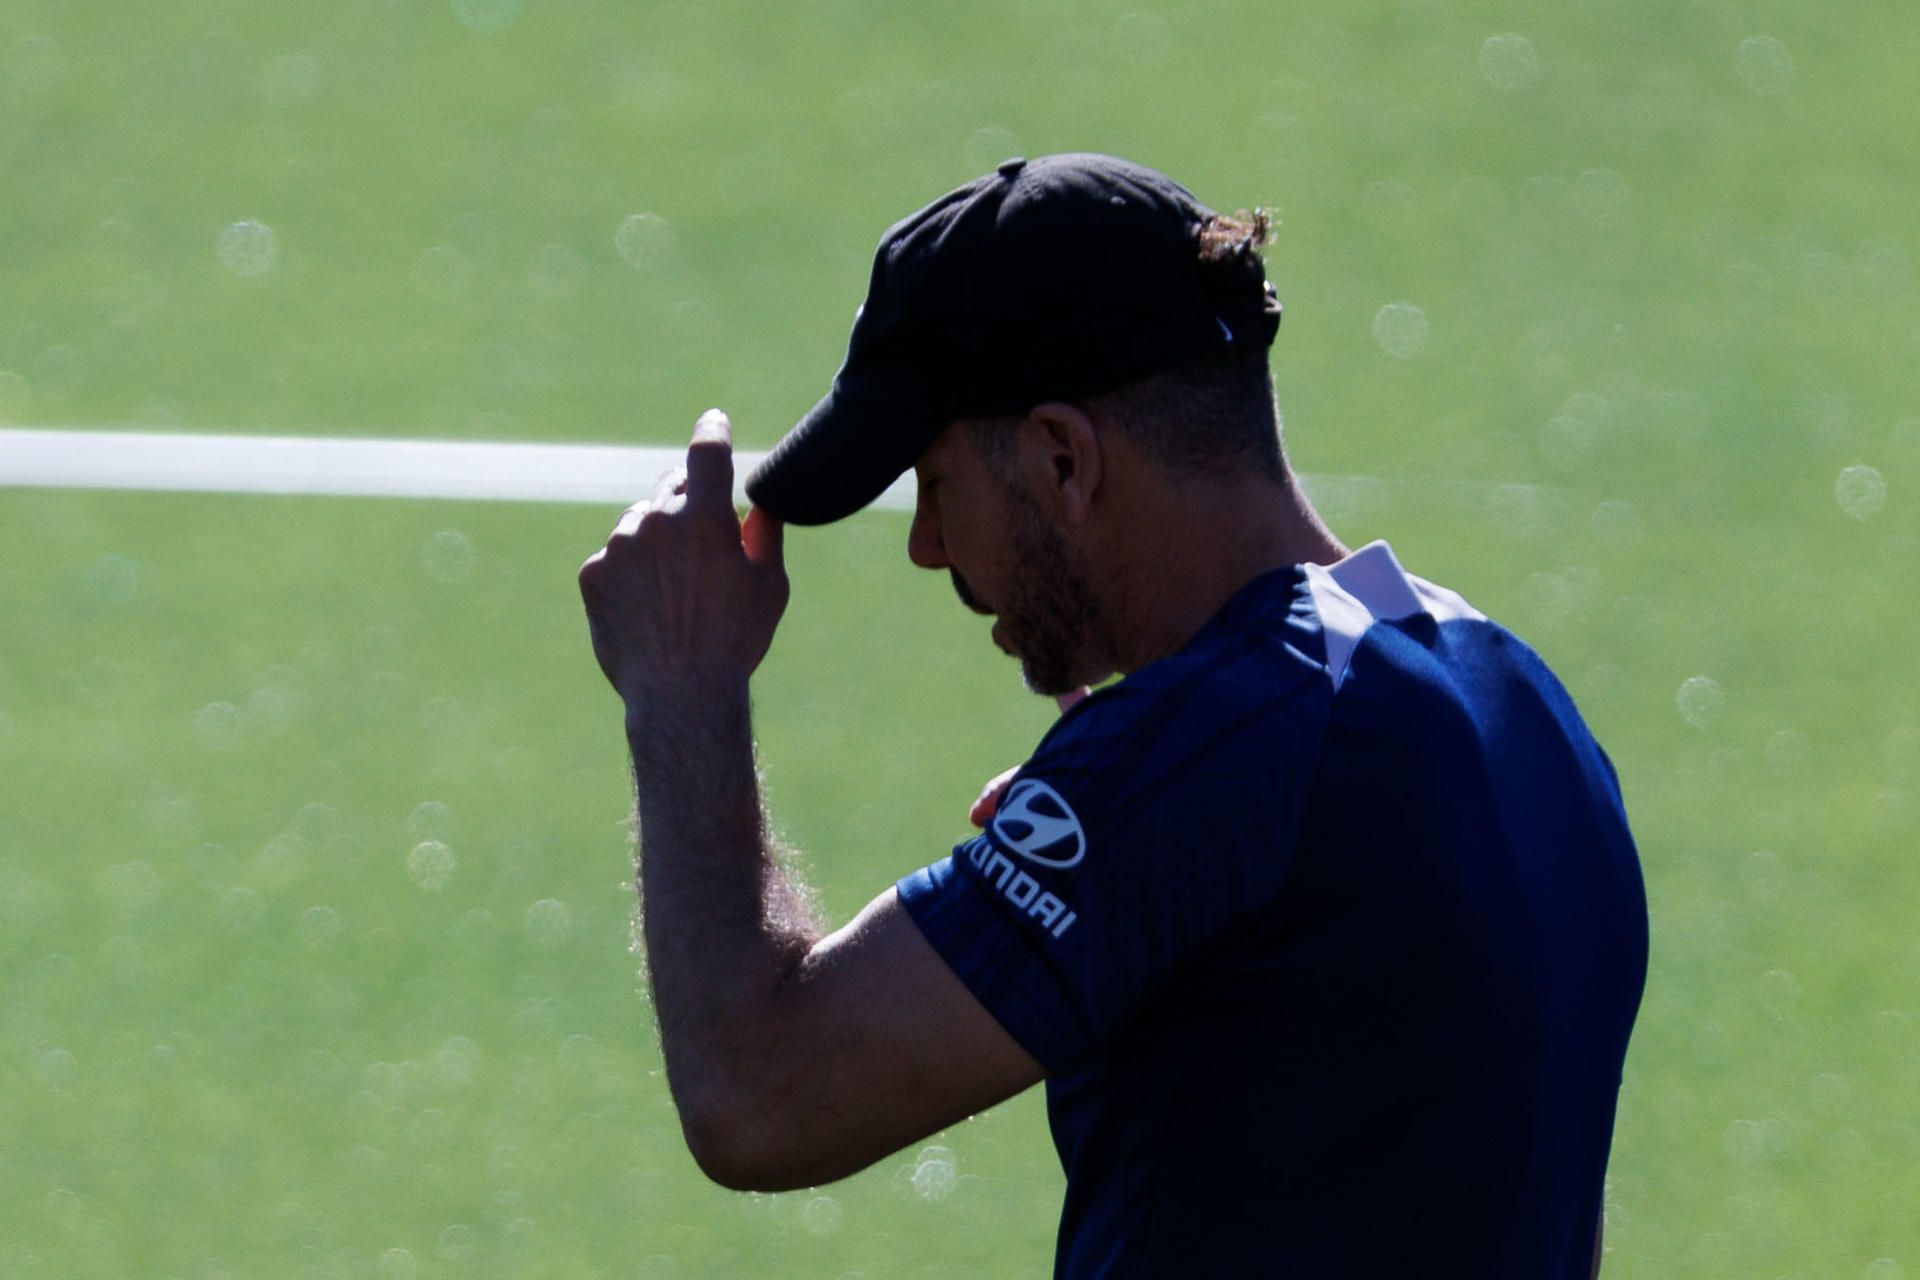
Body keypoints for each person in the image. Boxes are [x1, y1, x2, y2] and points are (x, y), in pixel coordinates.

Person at [578, 153, 1648, 1277]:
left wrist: (683, 685)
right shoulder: (1519, 699)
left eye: (938, 485)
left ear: (1060, 457)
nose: (927, 546)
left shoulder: (1216, 748)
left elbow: (756, 1091)